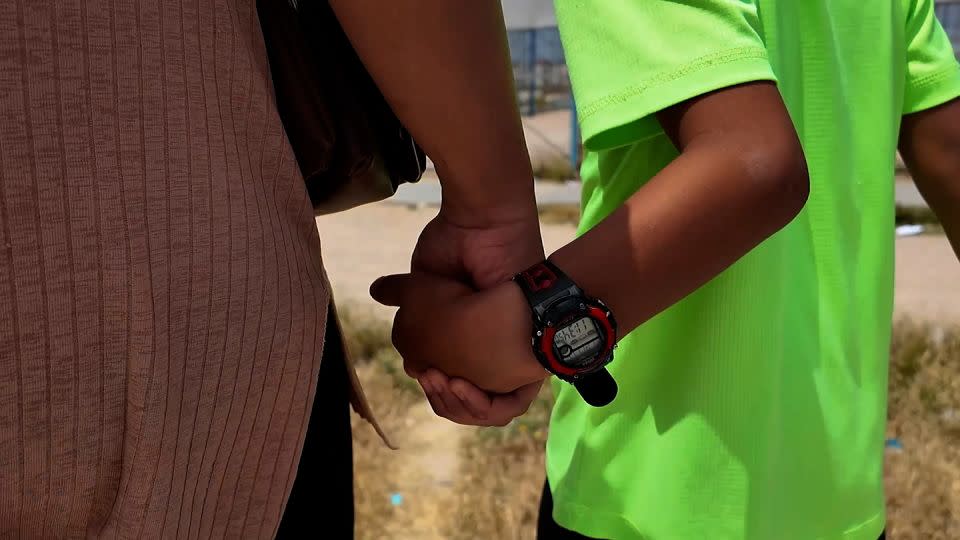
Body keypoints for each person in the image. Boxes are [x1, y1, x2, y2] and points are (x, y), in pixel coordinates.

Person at [366, 1, 960, 540]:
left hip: (648, 498)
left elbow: (754, 162)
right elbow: (948, 149)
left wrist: (486, 331)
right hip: (835, 500)